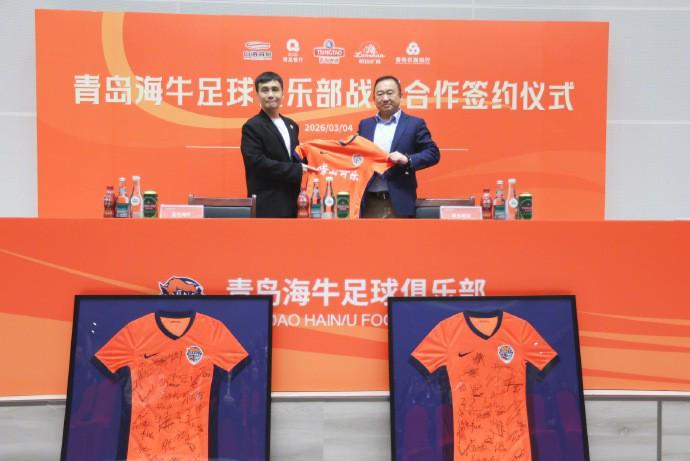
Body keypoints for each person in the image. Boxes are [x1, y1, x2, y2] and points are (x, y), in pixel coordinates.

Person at [358, 75, 440, 218]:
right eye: (380, 94)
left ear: (400, 95)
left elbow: (433, 153)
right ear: (374, 98)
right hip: (368, 202)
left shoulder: (414, 124)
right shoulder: (365, 125)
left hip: (399, 201)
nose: (385, 98)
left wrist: (407, 160)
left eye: (390, 93)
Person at [241, 71, 313, 218]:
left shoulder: (292, 125)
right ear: (257, 95)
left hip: (294, 203)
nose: (270, 95)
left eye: (275, 89)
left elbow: (295, 157)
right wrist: (296, 169)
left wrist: (316, 159)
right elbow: (256, 163)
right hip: (267, 204)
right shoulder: (252, 126)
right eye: (265, 90)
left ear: (282, 93)